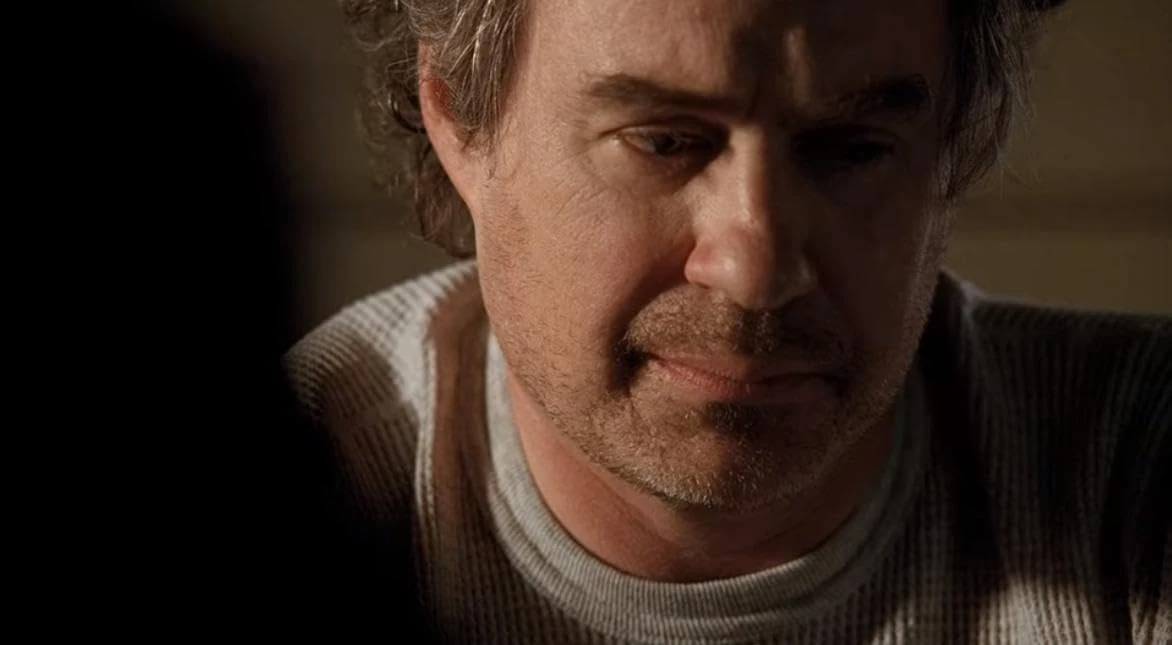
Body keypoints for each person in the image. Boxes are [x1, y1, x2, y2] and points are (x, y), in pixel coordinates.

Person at [285, 0, 1170, 641]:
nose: (756, 273)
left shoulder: (1134, 470)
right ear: (459, 119)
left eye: (853, 149)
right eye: (665, 141)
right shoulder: (315, 478)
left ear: (953, 144)